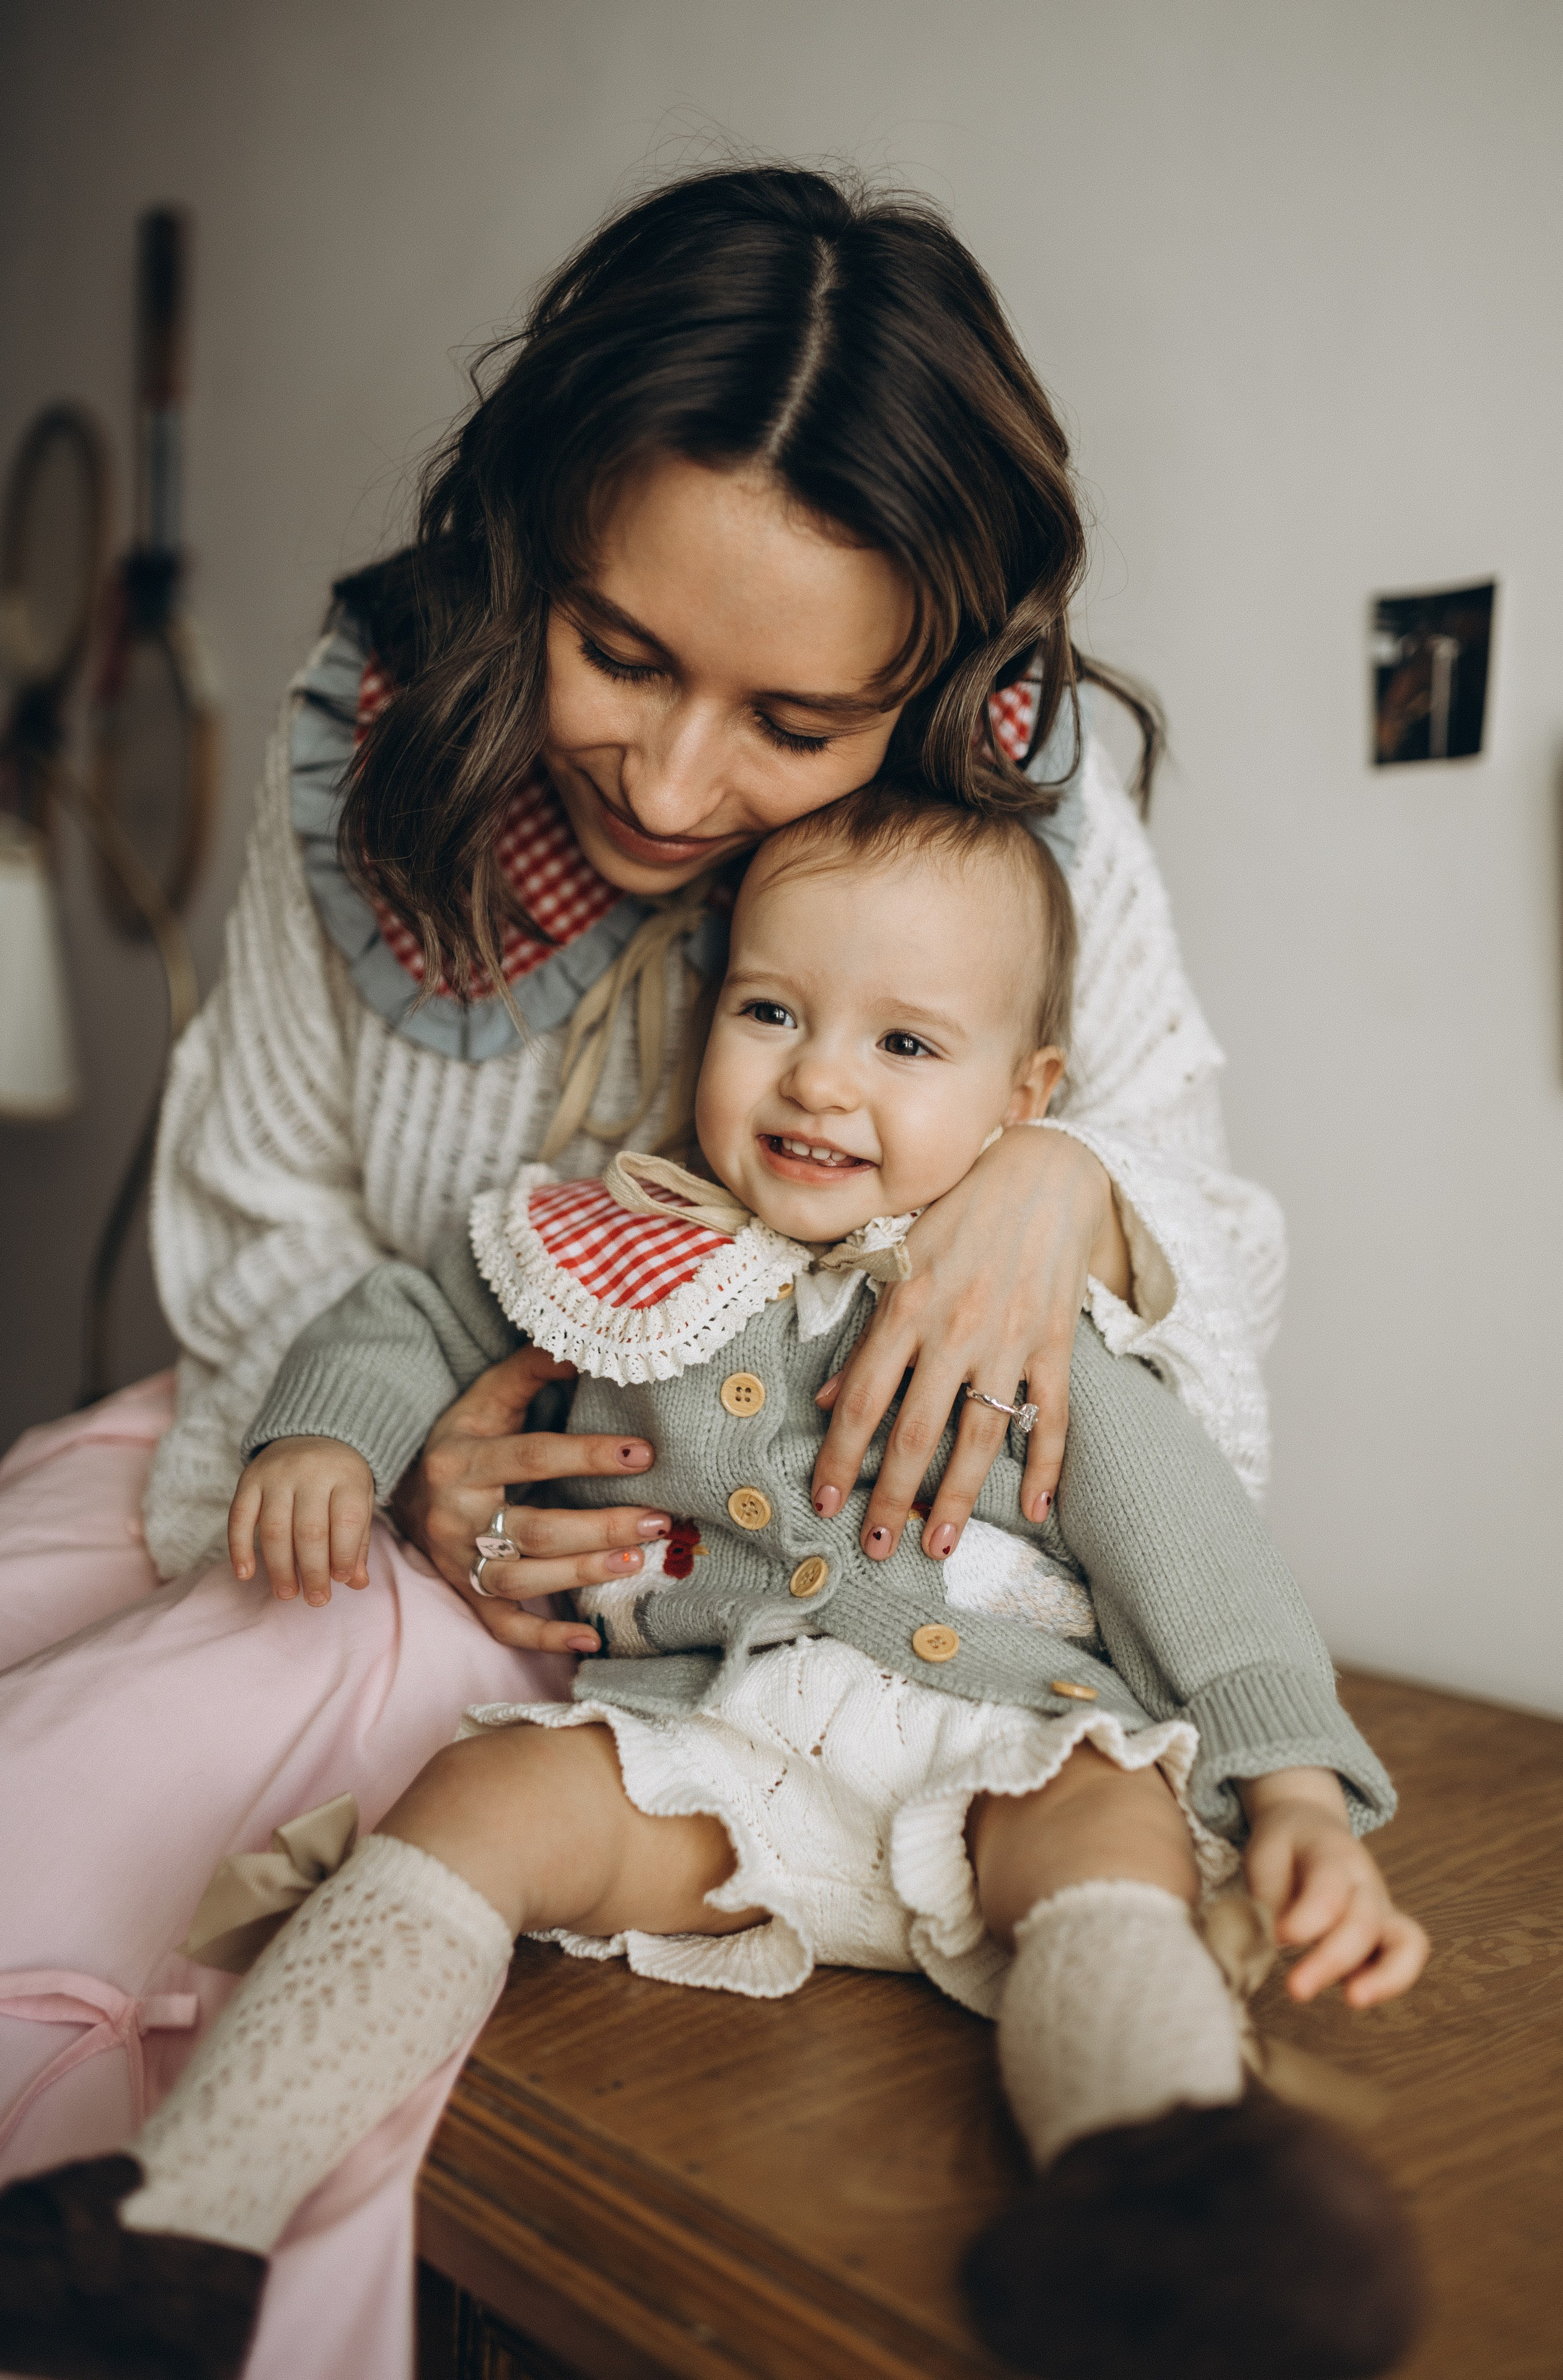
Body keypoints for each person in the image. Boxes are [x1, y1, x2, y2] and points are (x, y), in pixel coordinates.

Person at [0, 165, 1283, 2380]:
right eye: (620, 653)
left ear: (944, 686)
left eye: (797, 725)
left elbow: (1204, 1334)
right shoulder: (383, 739)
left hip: (694, 1627)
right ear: (529, 552)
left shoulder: (1015, 825)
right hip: (346, 1453)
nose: (681, 781)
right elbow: (259, 1213)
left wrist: (1068, 1182)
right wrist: (405, 1455)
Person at [0, 786, 1427, 2380]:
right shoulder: (617, 1241)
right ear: (706, 1022)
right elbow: (399, 1314)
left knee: (1114, 1840)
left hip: (1000, 1742)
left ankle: (1168, 2206)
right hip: (714, 1748)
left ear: (1024, 1096)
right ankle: (186, 2219)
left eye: (905, 1044)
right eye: (770, 1010)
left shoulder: (1013, 1311)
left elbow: (1202, 1561)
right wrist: (329, 1441)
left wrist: (1292, 1792)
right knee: (475, 1800)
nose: (818, 1075)